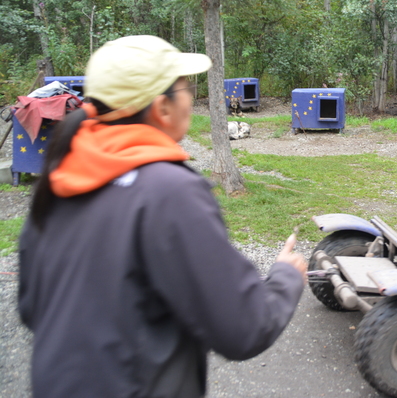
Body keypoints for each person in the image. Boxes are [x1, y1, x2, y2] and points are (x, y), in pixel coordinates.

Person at [17, 36, 307, 398]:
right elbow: (244, 328)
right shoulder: (169, 190)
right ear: (162, 108)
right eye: (185, 88)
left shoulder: (62, 175)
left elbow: (31, 308)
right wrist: (285, 277)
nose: (190, 98)